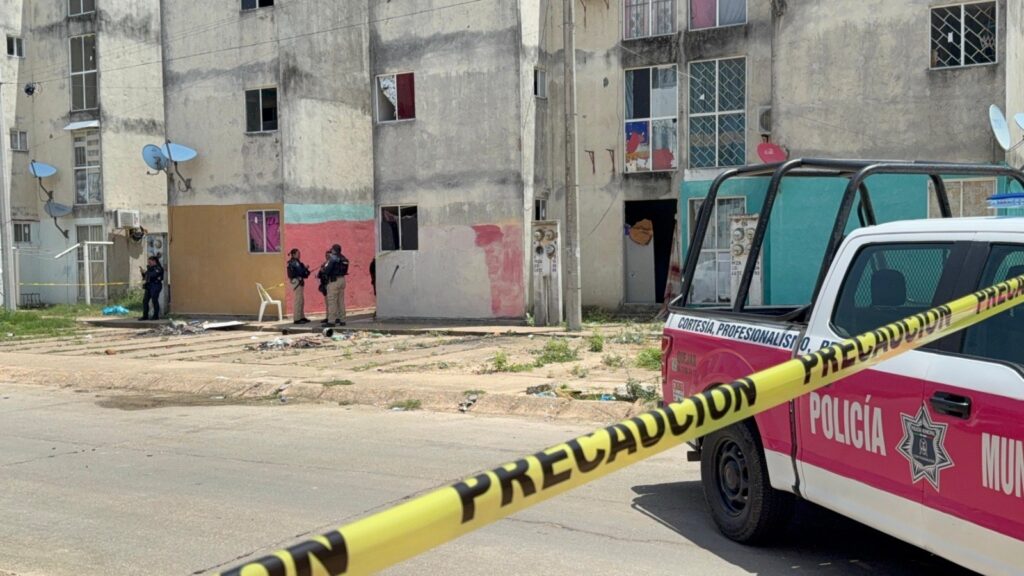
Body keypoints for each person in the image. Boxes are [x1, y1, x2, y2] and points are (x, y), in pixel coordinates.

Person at [322, 243, 349, 327]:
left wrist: (324, 269)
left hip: (334, 281)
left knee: (332, 301)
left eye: (332, 249)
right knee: (341, 301)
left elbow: (327, 270)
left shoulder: (333, 258)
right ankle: (342, 320)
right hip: (342, 280)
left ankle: (331, 321)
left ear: (334, 250)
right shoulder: (344, 258)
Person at [286, 248, 311, 324]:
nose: (299, 255)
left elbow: (303, 273)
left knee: (301, 300)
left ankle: (301, 317)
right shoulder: (294, 262)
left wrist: (306, 271)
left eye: (299, 253)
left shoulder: (297, 262)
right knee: (298, 300)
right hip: (296, 282)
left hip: (299, 281)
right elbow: (300, 271)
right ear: (293, 254)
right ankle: (297, 319)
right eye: (298, 253)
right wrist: (305, 269)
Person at [139, 255, 164, 321]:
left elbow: (153, 275)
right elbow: (146, 277)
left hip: (156, 285)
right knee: (145, 301)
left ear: (154, 261)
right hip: (149, 286)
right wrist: (143, 273)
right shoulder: (150, 268)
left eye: (150, 262)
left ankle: (156, 316)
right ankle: (145, 316)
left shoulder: (158, 268)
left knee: (154, 300)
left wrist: (146, 272)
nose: (148, 263)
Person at [316, 250, 331, 316]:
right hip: (324, 284)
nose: (327, 257)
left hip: (329, 283)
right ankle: (328, 316)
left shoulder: (331, 263)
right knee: (327, 302)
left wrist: (323, 270)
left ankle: (331, 317)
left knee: (330, 302)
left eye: (328, 255)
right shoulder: (324, 263)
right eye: (326, 255)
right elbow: (320, 274)